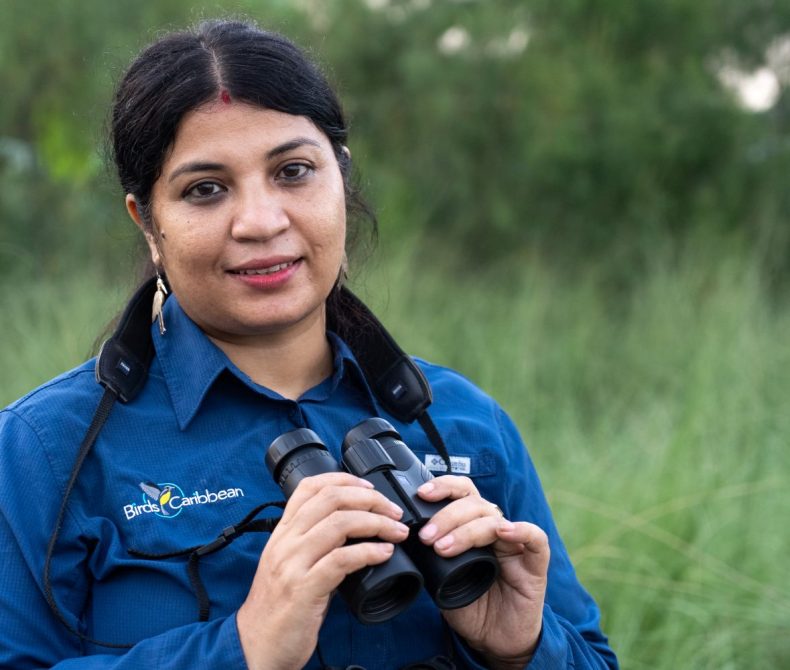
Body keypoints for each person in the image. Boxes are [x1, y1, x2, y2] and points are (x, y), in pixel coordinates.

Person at [0, 19, 618, 670]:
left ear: (340, 179)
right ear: (149, 224)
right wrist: (243, 646)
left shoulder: (465, 424)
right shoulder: (44, 452)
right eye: (205, 189)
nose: (262, 222)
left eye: (293, 171)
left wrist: (522, 647)